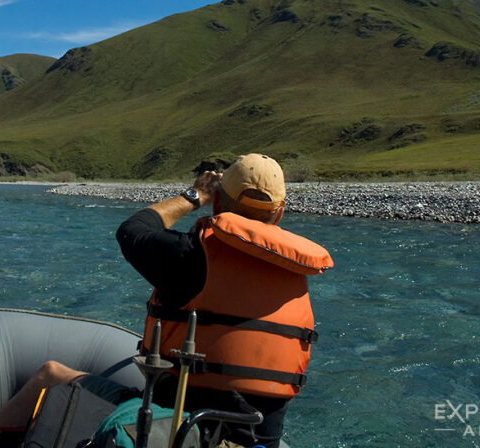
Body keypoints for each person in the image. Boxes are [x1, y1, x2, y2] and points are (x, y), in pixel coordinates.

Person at [116, 153, 333, 448]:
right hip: (256, 441)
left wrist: (195, 195)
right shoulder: (296, 273)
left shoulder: (191, 255)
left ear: (218, 202)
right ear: (279, 213)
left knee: (52, 374)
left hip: (178, 429)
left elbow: (132, 230)